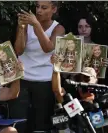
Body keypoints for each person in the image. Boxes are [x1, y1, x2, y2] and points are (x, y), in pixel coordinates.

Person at [13, 1, 65, 132]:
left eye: (44, 7)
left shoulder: (58, 28)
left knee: (41, 125)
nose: (39, 11)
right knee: (21, 123)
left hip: (45, 81)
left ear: (54, 9)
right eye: (37, 7)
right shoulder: (27, 25)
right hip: (23, 79)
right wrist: (21, 28)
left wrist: (36, 24)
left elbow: (48, 48)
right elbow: (18, 50)